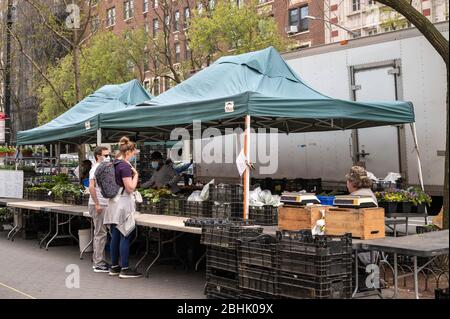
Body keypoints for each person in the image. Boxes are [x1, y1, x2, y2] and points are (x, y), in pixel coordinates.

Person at [103, 137, 142, 279]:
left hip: (113, 202)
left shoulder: (113, 164)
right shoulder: (125, 166)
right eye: (134, 152)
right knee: (125, 235)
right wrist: (136, 175)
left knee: (115, 236)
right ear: (129, 151)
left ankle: (114, 267)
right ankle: (125, 268)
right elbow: (130, 188)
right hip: (123, 204)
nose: (134, 155)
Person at [88, 146, 111, 273]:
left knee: (101, 232)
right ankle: (98, 263)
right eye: (105, 155)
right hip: (99, 204)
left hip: (102, 203)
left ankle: (99, 260)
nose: (108, 158)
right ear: (98, 156)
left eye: (108, 155)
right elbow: (91, 188)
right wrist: (97, 204)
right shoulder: (96, 168)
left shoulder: (102, 168)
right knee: (100, 233)